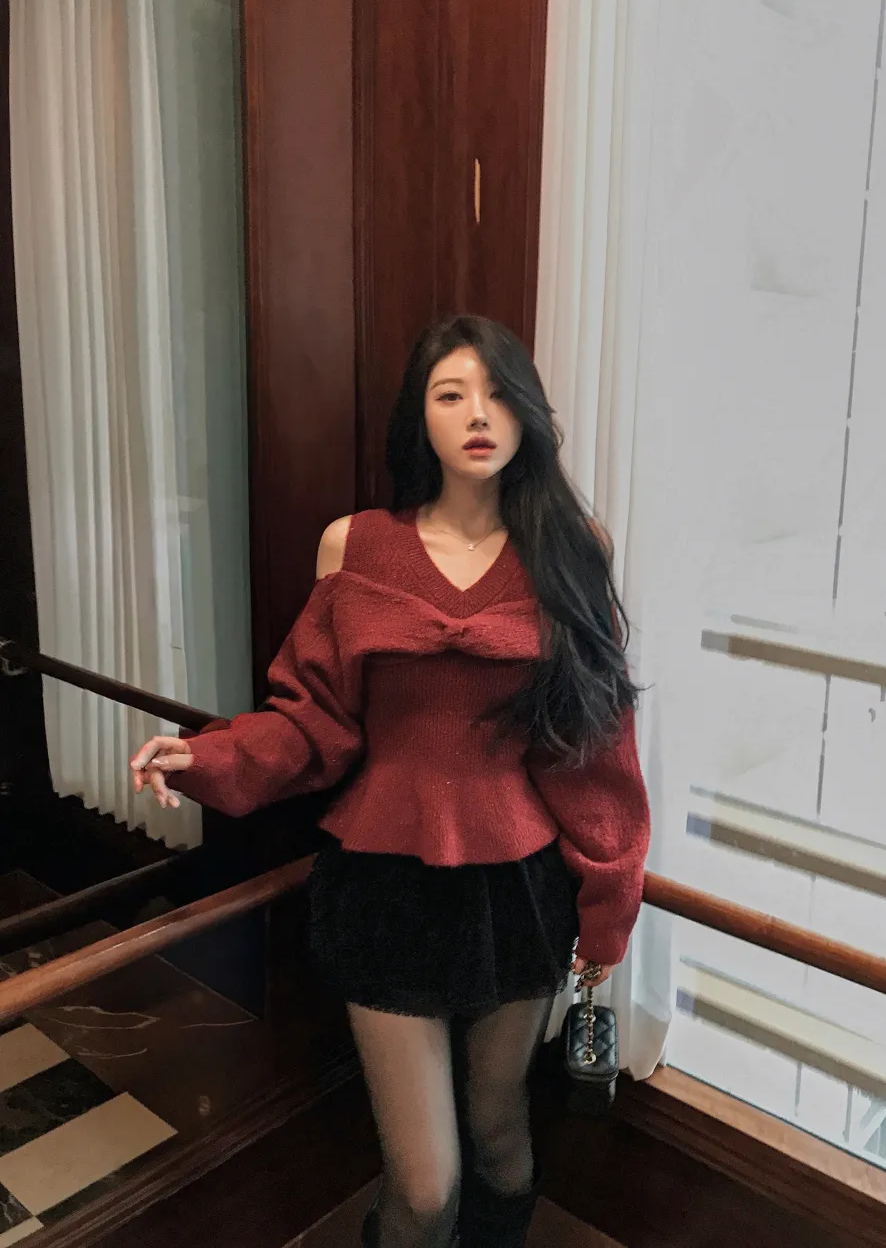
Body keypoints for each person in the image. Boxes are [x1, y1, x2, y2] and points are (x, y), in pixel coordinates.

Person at [130, 315, 651, 1248]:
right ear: (421, 417)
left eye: (498, 395)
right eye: (452, 395)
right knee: (425, 1186)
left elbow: (594, 749)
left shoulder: (573, 550)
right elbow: (313, 722)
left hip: (519, 894)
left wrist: (608, 907)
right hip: (383, 886)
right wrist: (204, 757)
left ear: (529, 415)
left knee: (501, 1135)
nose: (478, 415)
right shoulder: (356, 546)